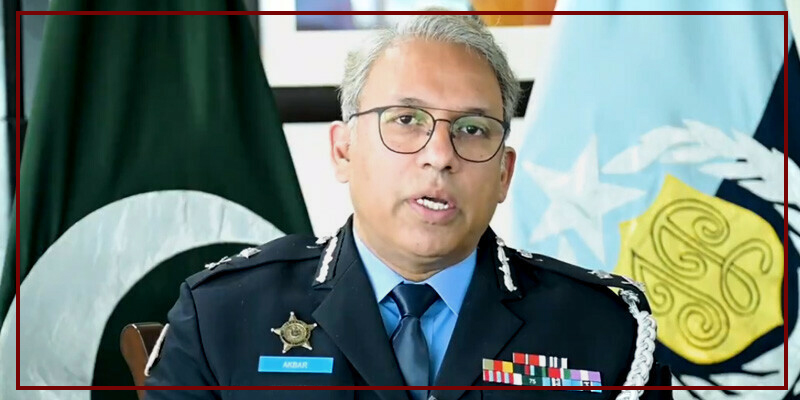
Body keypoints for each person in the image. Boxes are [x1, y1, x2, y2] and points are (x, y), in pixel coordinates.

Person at [145, 13, 672, 400]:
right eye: (406, 120)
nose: (440, 155)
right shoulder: (224, 315)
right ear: (343, 151)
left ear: (504, 174)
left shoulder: (600, 327)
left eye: (472, 129)